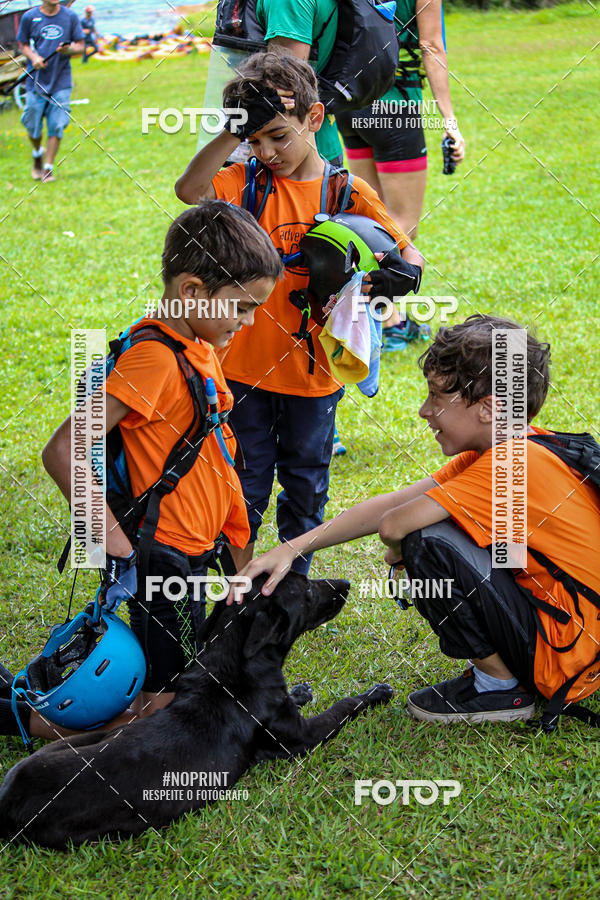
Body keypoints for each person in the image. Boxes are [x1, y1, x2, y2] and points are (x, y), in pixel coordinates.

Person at [0, 201, 282, 743]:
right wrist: (115, 544)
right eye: (242, 307)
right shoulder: (153, 359)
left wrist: (236, 545)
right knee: (171, 699)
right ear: (193, 291)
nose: (248, 323)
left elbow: (208, 448)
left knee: (186, 671)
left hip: (195, 548)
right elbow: (63, 450)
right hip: (162, 555)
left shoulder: (197, 342)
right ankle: (42, 728)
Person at [235, 315, 600, 726]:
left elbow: (393, 525)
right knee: (436, 530)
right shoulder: (518, 446)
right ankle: (505, 674)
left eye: (436, 397)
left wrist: (397, 553)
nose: (425, 411)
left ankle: (499, 689)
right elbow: (386, 505)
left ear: (489, 408)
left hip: (567, 658)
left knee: (425, 540)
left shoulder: (509, 462)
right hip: (575, 641)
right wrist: (291, 547)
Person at [175, 51, 424, 575]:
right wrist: (230, 132)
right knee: (243, 488)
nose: (266, 151)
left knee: (307, 486)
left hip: (314, 379)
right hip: (240, 372)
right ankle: (237, 587)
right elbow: (189, 192)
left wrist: (404, 275)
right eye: (254, 139)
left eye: (279, 136)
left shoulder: (345, 191)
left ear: (314, 120)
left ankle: (291, 582)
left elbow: (405, 252)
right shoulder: (242, 183)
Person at [17, 0, 85, 182]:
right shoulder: (29, 17)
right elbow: (22, 44)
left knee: (56, 124)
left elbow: (81, 45)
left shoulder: (70, 16)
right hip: (35, 81)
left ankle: (48, 167)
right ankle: (37, 153)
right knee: (32, 123)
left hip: (61, 80)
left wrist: (69, 50)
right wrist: (34, 57)